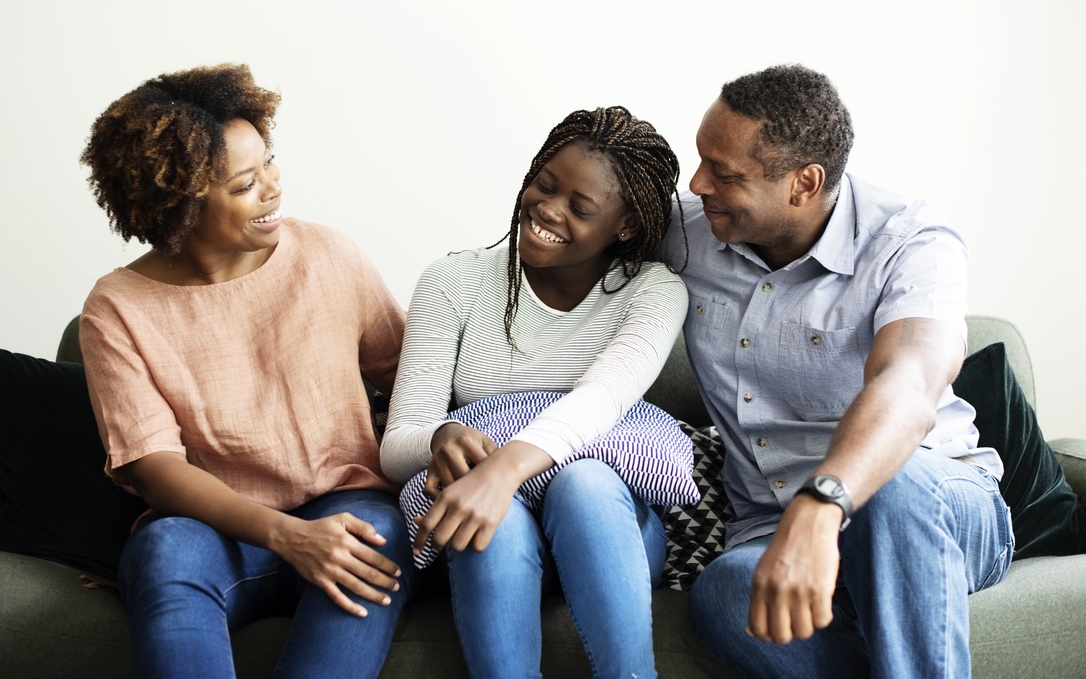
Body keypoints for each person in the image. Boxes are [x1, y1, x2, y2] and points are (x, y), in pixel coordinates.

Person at [661, 64, 1014, 678]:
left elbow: (908, 384)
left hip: (933, 505)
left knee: (893, 491)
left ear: (805, 182)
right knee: (722, 593)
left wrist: (821, 504)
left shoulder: (912, 242)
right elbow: (569, 227)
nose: (698, 184)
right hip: (768, 526)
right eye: (701, 161)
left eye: (724, 173)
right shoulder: (691, 233)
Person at [77, 63, 417, 678]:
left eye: (270, 162)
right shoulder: (116, 308)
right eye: (243, 184)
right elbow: (155, 470)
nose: (273, 188)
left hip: (349, 507)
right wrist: (287, 537)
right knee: (163, 547)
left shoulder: (329, 256)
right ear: (178, 206)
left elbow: (414, 383)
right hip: (214, 533)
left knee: (373, 535)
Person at [379, 106, 690, 678]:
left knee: (586, 480)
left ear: (624, 226)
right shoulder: (453, 281)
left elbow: (599, 402)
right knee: (490, 521)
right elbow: (397, 445)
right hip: (488, 534)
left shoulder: (652, 293)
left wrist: (500, 473)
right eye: (544, 184)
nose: (547, 209)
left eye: (581, 206)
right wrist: (441, 436)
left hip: (608, 536)